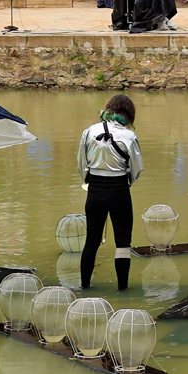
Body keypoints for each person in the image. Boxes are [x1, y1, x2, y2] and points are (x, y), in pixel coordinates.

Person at [77, 94, 143, 292]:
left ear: (109, 109)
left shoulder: (89, 131)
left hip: (95, 190)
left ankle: (85, 286)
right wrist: (124, 181)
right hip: (119, 190)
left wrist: (91, 181)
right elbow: (136, 169)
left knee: (92, 240)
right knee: (123, 242)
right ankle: (122, 289)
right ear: (130, 114)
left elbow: (81, 164)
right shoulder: (130, 136)